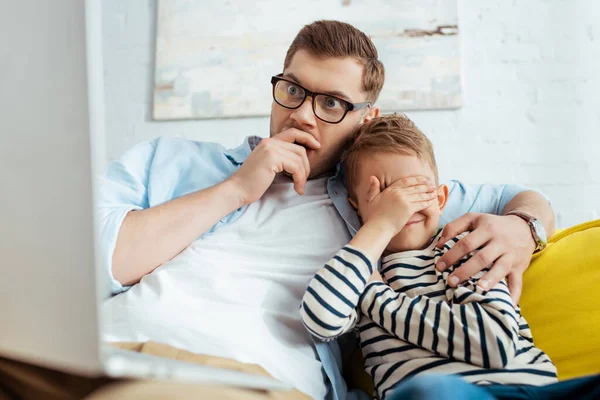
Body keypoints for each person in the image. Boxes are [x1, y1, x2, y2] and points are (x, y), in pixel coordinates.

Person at [98, 20, 555, 400]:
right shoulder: (174, 160)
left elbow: (520, 198)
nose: (303, 115)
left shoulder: (379, 201)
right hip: (107, 348)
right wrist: (237, 188)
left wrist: (524, 228)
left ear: (366, 120)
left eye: (332, 103)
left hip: (245, 380)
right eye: (293, 89)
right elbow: (89, 265)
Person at [300, 115, 558, 400]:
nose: (403, 204)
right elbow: (320, 318)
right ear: (356, 208)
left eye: (415, 189)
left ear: (440, 198)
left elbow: (493, 344)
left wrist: (378, 297)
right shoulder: (357, 272)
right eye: (384, 194)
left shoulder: (462, 248)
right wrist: (381, 225)